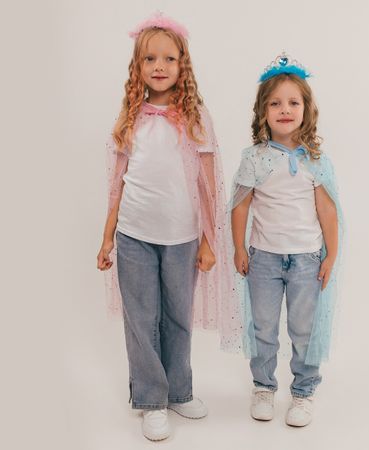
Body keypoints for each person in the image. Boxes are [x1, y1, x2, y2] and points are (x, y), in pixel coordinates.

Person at [96, 12, 240, 441]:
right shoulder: (131, 116)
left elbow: (209, 186)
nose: (159, 66)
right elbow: (116, 183)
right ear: (138, 66)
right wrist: (107, 237)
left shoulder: (195, 117)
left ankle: (178, 390)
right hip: (134, 235)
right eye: (150, 59)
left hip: (182, 238)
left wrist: (210, 240)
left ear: (182, 65)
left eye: (169, 59)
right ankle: (150, 399)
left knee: (178, 316)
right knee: (141, 319)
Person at [231, 53, 344, 427]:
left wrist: (331, 255)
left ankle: (303, 391)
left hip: (306, 259)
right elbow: (240, 206)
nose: (284, 110)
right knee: (263, 327)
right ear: (263, 111)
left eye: (293, 103)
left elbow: (328, 211)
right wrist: (239, 247)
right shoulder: (255, 157)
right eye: (275, 103)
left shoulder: (315, 160)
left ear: (306, 110)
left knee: (303, 329)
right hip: (263, 258)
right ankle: (263, 386)